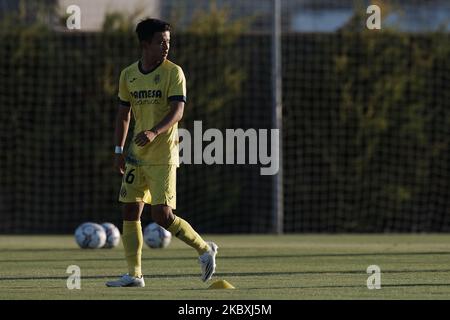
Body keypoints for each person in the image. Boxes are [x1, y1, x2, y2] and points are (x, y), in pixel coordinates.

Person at [106, 18, 218, 287]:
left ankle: (204, 250)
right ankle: (134, 275)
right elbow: (124, 114)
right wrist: (119, 149)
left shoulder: (173, 72)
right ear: (145, 44)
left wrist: (155, 132)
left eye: (168, 42)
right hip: (135, 155)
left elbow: (177, 110)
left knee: (161, 216)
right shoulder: (128, 75)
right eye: (160, 42)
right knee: (130, 211)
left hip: (163, 155)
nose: (166, 47)